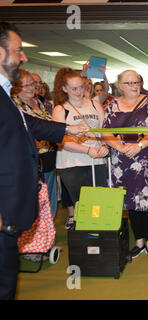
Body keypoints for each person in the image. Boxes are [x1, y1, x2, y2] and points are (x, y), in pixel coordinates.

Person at [0, 21, 87, 300]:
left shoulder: (4, 92)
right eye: (18, 50)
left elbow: (27, 123)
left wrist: (66, 129)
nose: (23, 57)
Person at [102, 70, 148, 261]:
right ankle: (138, 241)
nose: (134, 86)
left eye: (137, 82)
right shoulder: (112, 105)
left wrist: (139, 145)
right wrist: (122, 148)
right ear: (120, 85)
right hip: (122, 160)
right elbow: (105, 132)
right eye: (129, 83)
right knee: (131, 200)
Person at [52, 68, 109, 230]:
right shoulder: (60, 109)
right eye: (74, 88)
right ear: (64, 88)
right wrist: (87, 150)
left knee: (98, 201)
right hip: (72, 163)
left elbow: (104, 131)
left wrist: (104, 145)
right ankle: (86, 240)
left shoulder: (94, 104)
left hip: (96, 160)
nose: (79, 91)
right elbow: (60, 140)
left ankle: (98, 236)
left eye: (81, 87)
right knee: (82, 204)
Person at [11, 69, 58, 219]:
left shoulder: (41, 102)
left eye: (33, 84)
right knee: (35, 204)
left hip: (49, 158)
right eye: (26, 85)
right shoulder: (14, 106)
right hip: (29, 162)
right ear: (16, 88)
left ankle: (48, 237)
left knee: (50, 199)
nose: (32, 88)